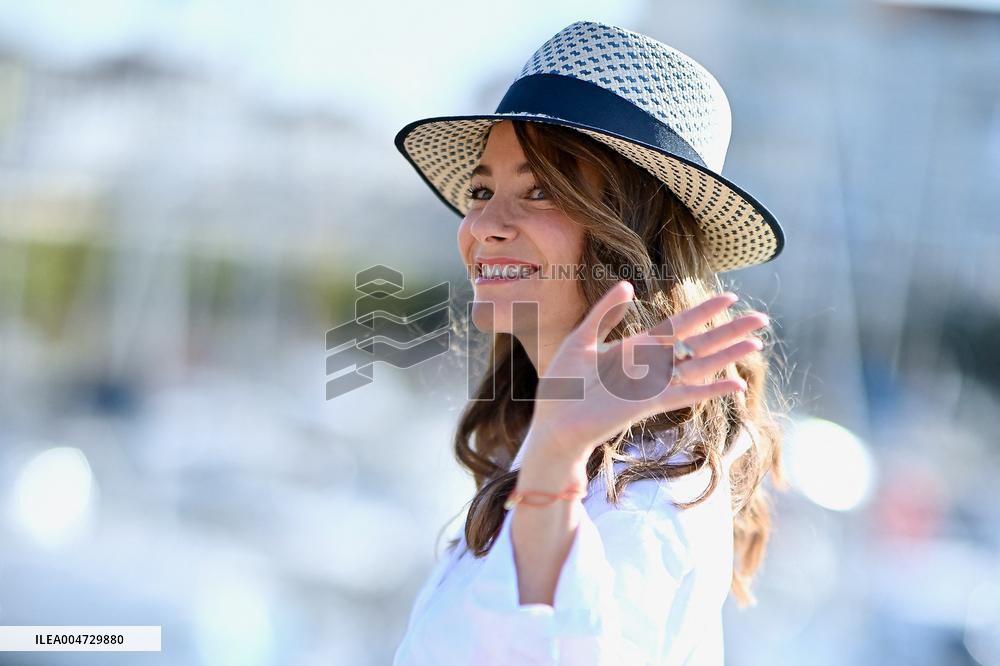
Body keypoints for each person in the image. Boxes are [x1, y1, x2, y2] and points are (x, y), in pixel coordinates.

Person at [390, 20, 788, 666]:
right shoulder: (565, 447)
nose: (483, 225)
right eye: (482, 190)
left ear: (629, 234)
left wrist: (554, 455)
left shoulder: (649, 494)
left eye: (540, 189)